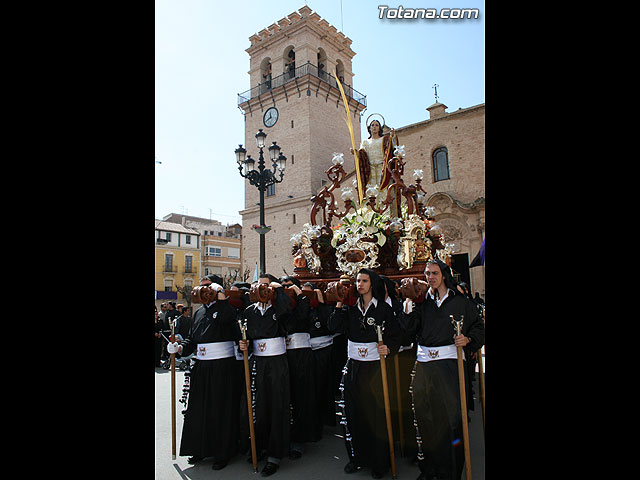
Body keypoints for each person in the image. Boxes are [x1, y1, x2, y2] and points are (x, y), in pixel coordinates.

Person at [399, 259, 485, 480]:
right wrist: (408, 311)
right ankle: (429, 469)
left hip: (449, 367)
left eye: (434, 273)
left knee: (451, 420)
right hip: (425, 367)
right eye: (427, 274)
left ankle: (451, 470)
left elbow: (478, 327)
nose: (430, 277)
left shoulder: (460, 302)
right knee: (426, 419)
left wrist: (468, 339)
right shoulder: (421, 303)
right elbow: (408, 334)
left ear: (444, 275)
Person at [328, 268, 403, 479]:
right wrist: (340, 302)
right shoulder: (351, 309)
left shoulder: (384, 310)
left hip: (375, 368)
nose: (360, 284)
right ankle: (357, 458)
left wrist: (388, 347)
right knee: (353, 414)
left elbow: (397, 335)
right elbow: (333, 326)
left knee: (376, 415)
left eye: (365, 280)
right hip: (354, 367)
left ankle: (380, 461)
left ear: (373, 283)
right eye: (358, 281)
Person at [166, 274, 241, 470]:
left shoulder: (227, 308)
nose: (203, 290)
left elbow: (229, 320)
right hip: (201, 365)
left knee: (220, 410)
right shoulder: (198, 313)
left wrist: (221, 298)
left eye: (208, 287)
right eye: (202, 287)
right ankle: (199, 449)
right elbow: (193, 340)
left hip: (222, 366)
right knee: (198, 409)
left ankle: (222, 452)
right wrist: (180, 348)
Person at [238, 273, 292, 477]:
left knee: (277, 404)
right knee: (259, 406)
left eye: (267, 286)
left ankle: (275, 454)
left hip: (277, 363)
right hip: (258, 362)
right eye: (259, 286)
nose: (263, 290)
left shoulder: (279, 307)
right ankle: (259, 446)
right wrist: (243, 343)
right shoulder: (249, 311)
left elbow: (287, 313)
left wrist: (279, 291)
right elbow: (245, 335)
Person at [279, 275, 318, 460]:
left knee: (301, 396)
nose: (287, 288)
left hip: (301, 354)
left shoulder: (303, 301)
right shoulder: (281, 304)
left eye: (290, 285)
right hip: (282, 354)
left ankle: (299, 439)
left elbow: (303, 316)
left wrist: (299, 294)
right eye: (283, 285)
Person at [304, 282, 337, 438]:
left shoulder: (321, 308)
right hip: (306, 350)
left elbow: (329, 324)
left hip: (323, 350)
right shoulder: (303, 308)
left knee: (323, 387)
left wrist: (321, 302)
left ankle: (325, 419)